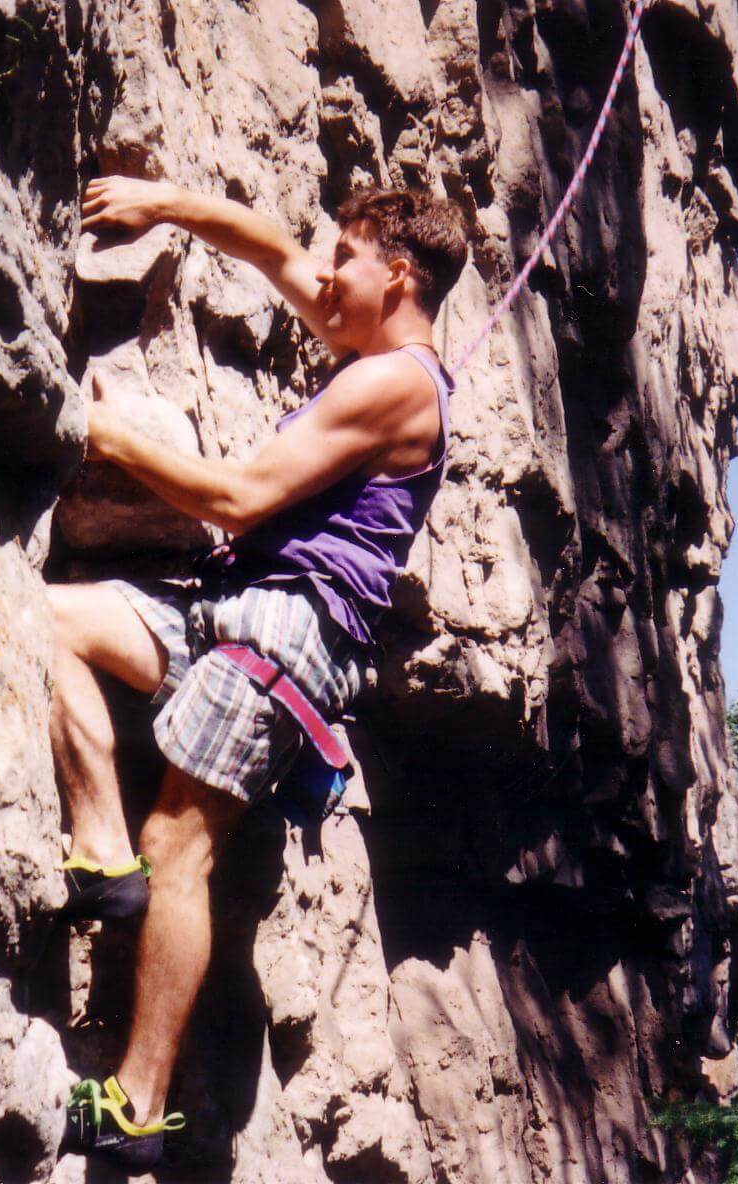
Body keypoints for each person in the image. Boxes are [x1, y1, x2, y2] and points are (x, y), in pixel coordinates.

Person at [52, 175, 467, 1172]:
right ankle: (102, 856)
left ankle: (136, 1102)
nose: (322, 276)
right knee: (51, 620)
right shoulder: (370, 345)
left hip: (289, 633)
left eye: (347, 260)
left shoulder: (396, 382)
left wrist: (98, 432)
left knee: (181, 844)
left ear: (398, 273)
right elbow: (274, 250)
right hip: (226, 608)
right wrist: (163, 201)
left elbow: (237, 498)